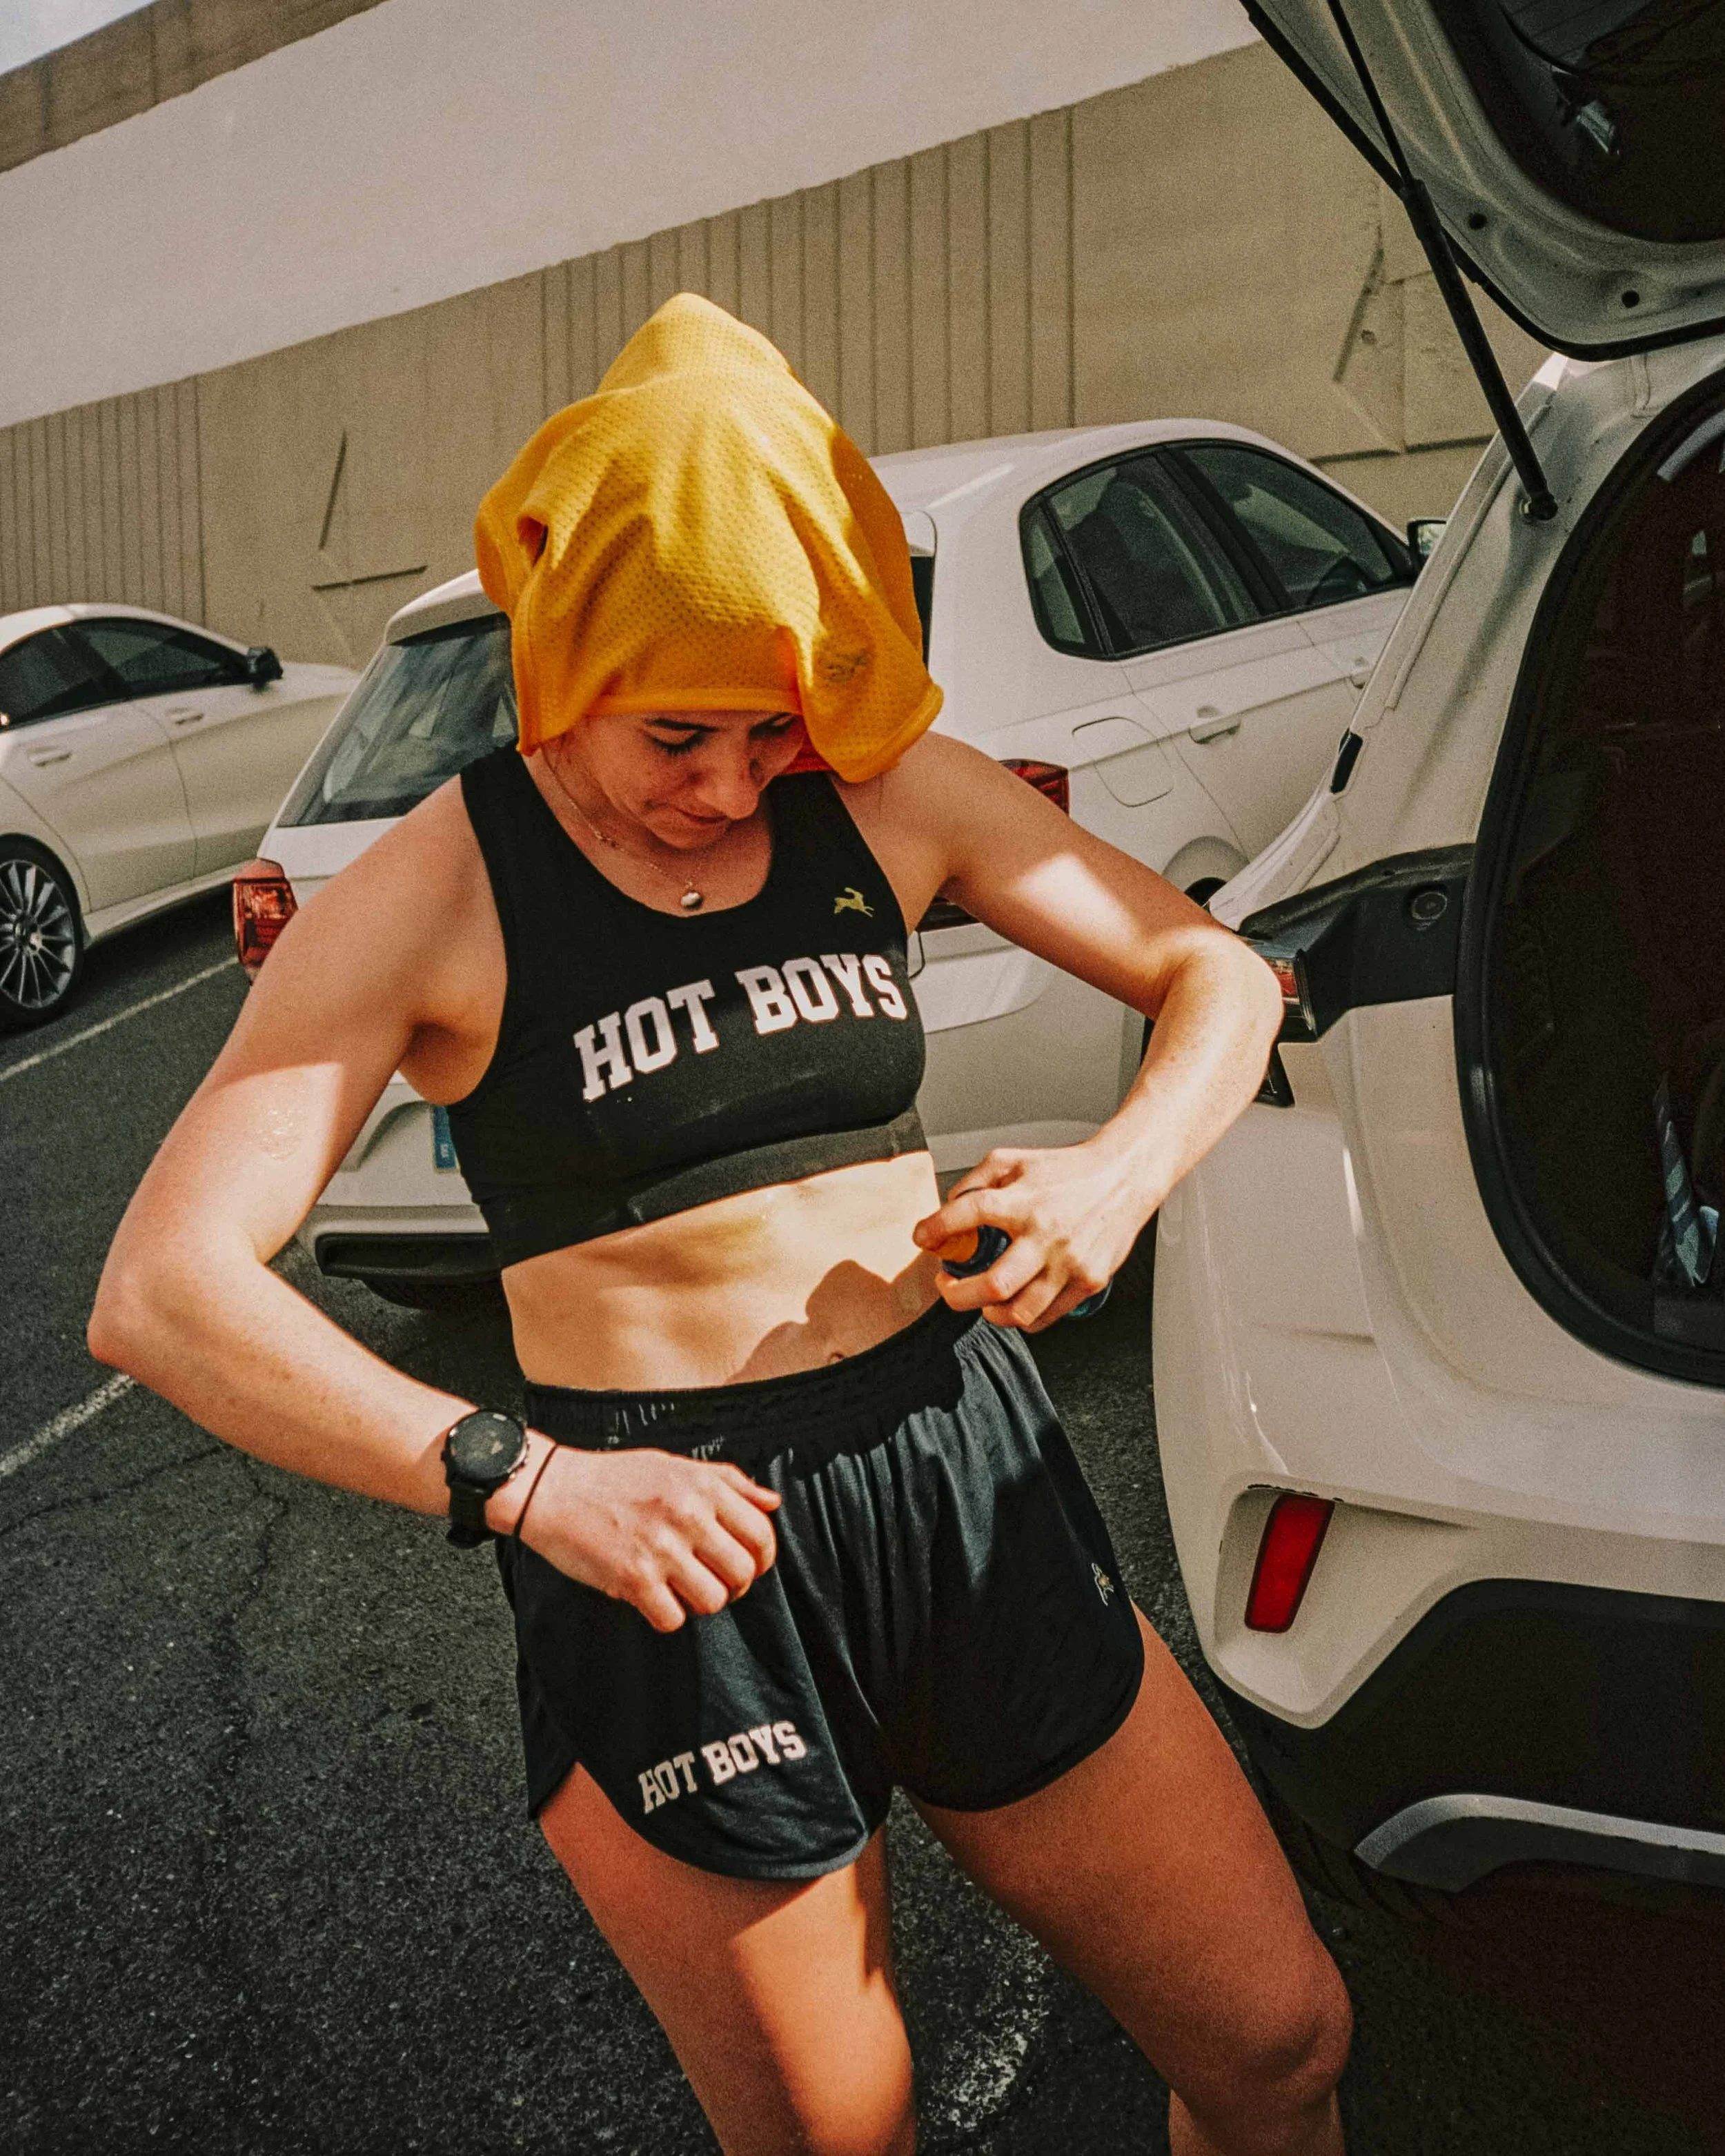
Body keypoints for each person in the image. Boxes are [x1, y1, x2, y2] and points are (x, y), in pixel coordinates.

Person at [90, 295, 1350, 2156]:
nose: (729, 786)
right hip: (666, 1550)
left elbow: (1211, 971)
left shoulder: (879, 791)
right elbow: (162, 1290)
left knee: (1277, 2041)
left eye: (773, 729)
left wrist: (1117, 1170)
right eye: (677, 732)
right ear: (565, 657)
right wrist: (518, 1480)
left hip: (958, 1465)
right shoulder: (437, 890)